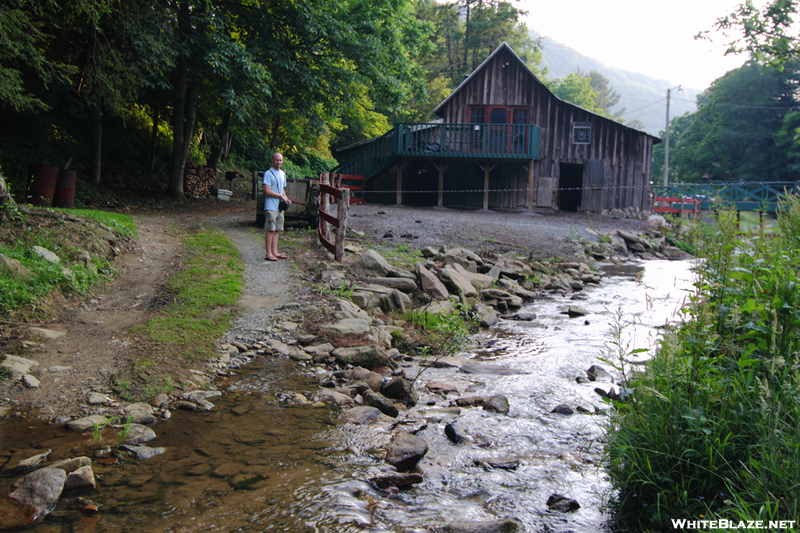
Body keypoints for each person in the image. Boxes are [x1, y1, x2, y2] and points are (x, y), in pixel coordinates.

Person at [263, 152, 291, 261]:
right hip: (271, 206)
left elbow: (282, 189)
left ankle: (275, 251)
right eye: (276, 160)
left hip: (279, 207)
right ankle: (268, 253)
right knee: (270, 229)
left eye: (280, 160)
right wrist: (280, 195)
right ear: (272, 160)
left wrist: (286, 198)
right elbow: (267, 190)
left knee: (277, 230)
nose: (278, 162)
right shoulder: (268, 173)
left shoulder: (282, 174)